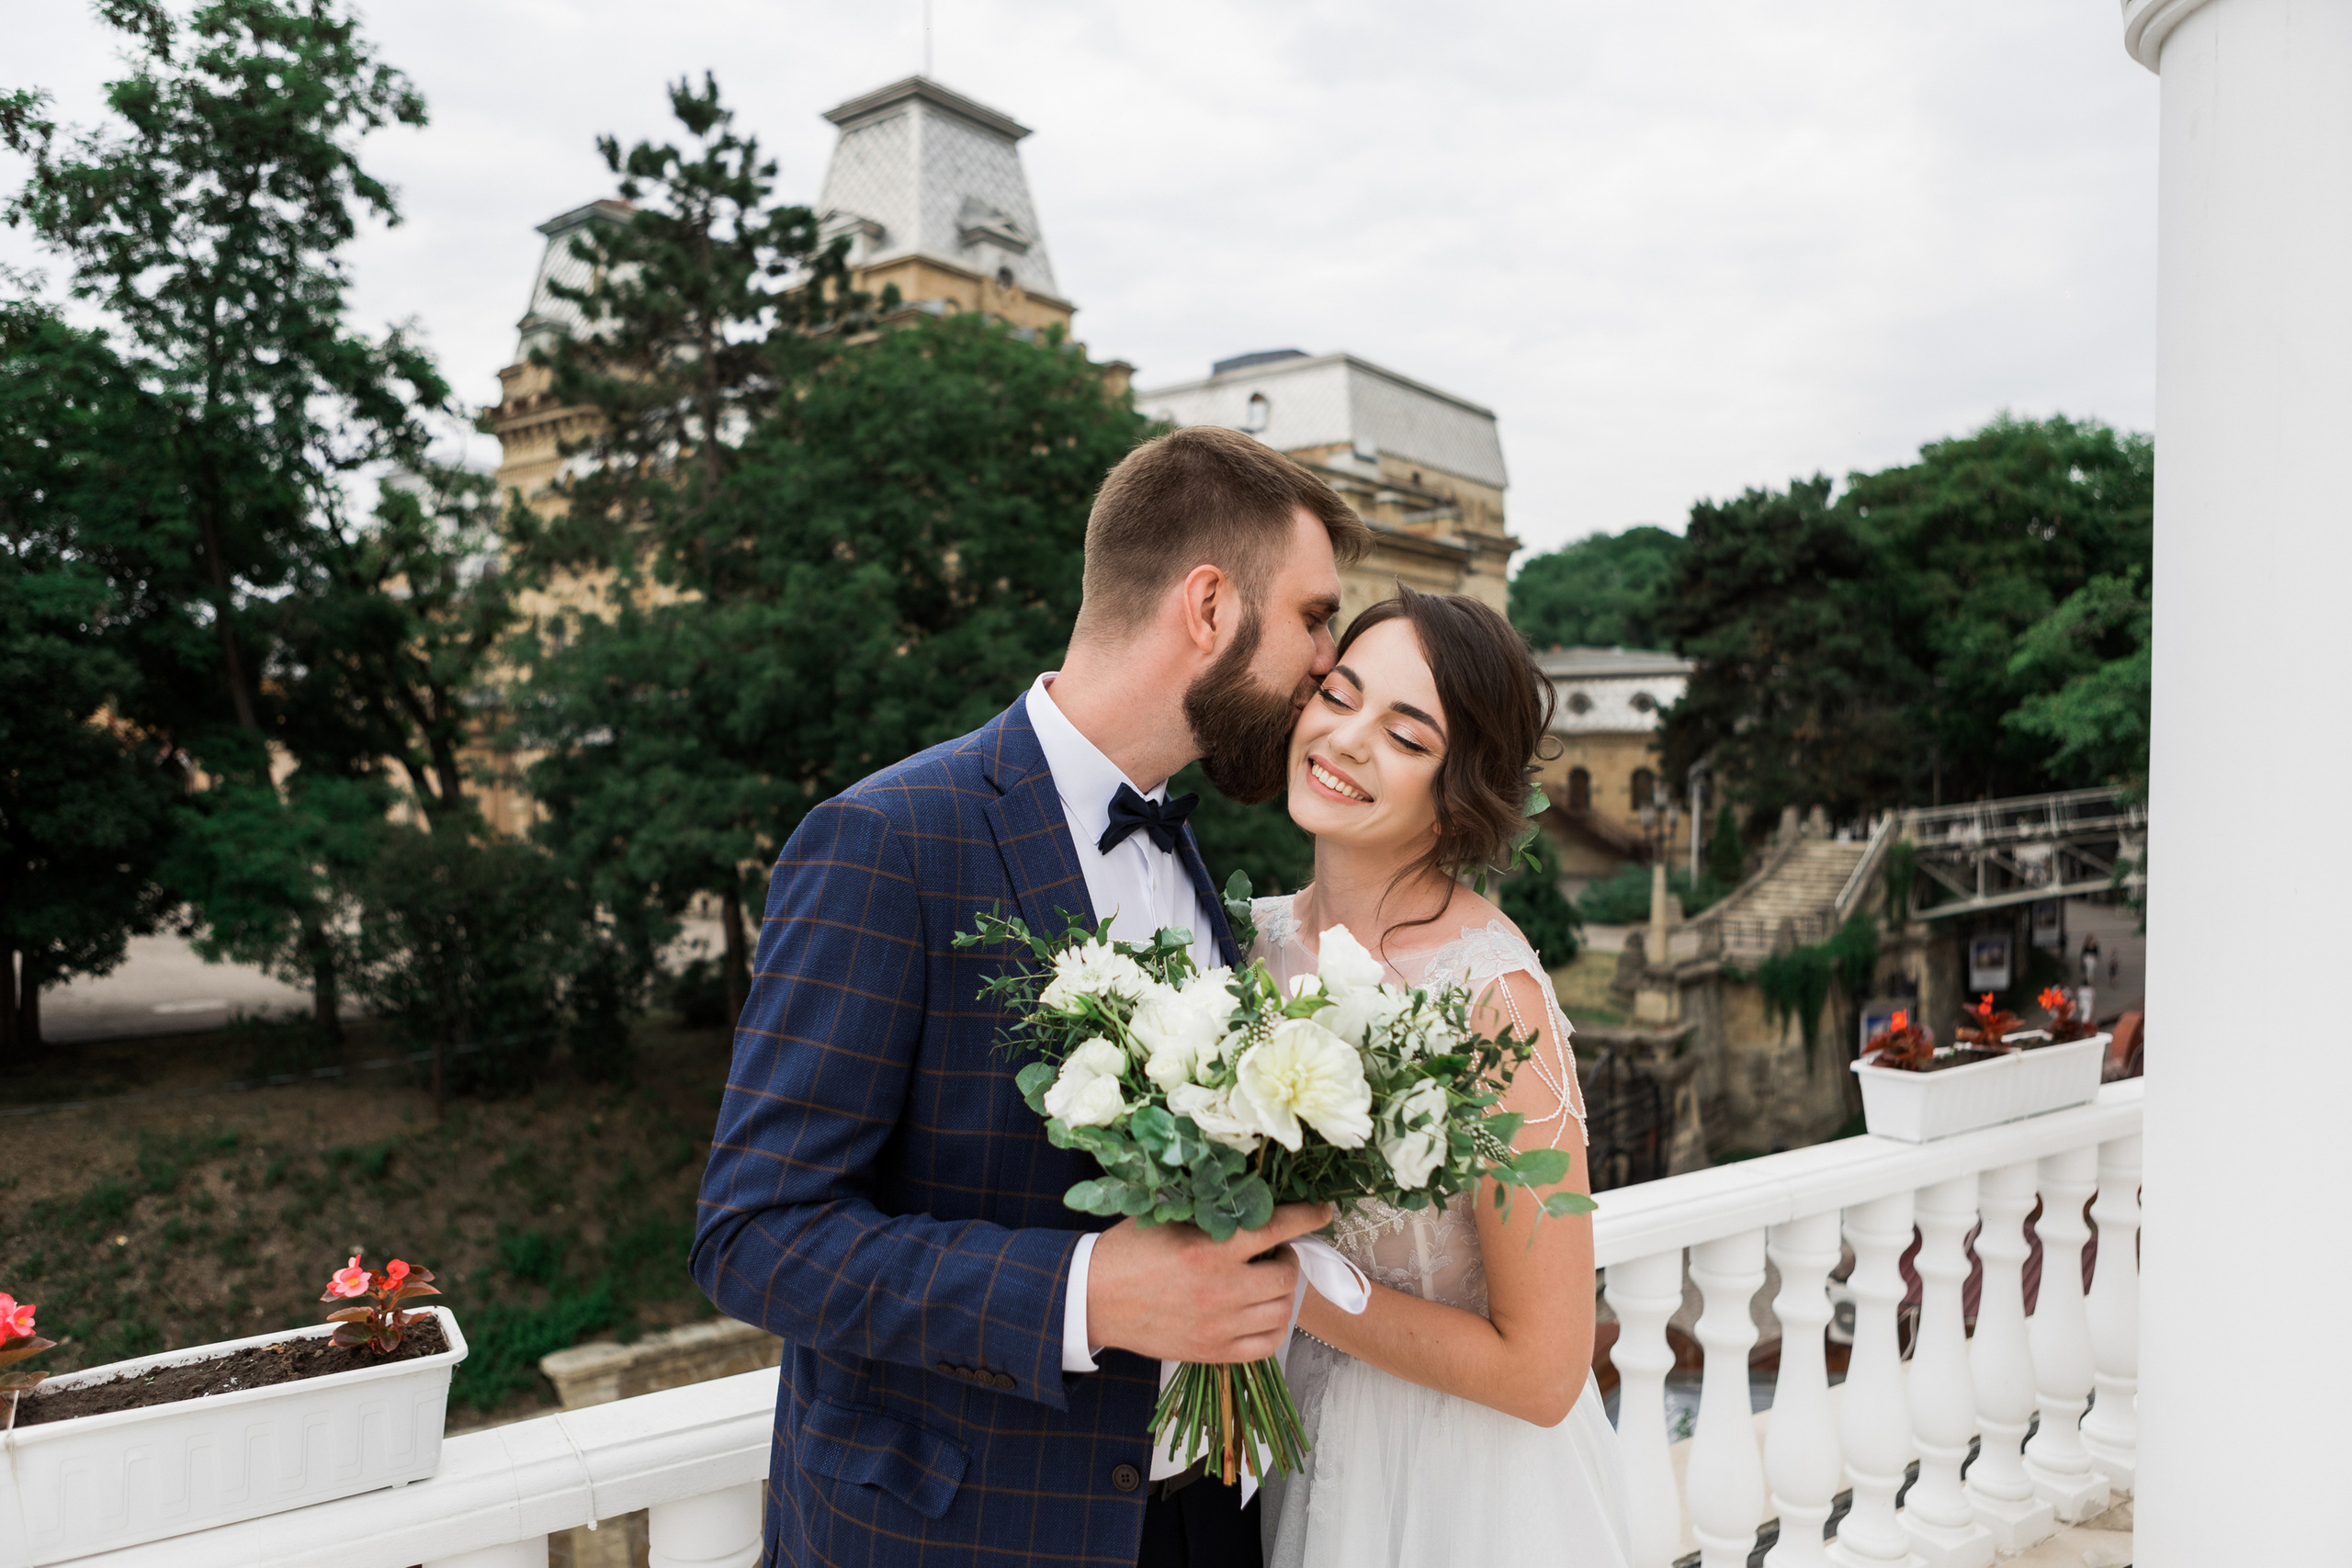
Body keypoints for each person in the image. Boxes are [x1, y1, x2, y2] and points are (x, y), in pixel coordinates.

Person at [691, 425, 1374, 1568]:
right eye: (1314, 617)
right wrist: (1082, 1295)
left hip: (1205, 1520)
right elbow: (755, 1235)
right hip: (958, 1535)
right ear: (1209, 606)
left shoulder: (1190, 858)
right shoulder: (887, 841)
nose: (1326, 663)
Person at [1251, 586, 1632, 1567]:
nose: (1345, 739)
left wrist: (1283, 1282)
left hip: (1458, 1488)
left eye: (1405, 735)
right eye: (1339, 695)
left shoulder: (1491, 996)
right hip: (1288, 1451)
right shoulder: (1244, 949)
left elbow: (1545, 1370)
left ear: (1457, 789)